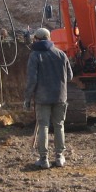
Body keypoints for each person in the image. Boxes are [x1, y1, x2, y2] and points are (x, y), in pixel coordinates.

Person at [24, 27, 73, 169]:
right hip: (60, 97)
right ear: (49, 38)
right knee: (59, 126)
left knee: (44, 127)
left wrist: (27, 99)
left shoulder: (35, 55)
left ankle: (43, 159)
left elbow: (31, 80)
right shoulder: (61, 54)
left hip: (42, 98)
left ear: (37, 39)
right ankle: (59, 157)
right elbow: (69, 76)